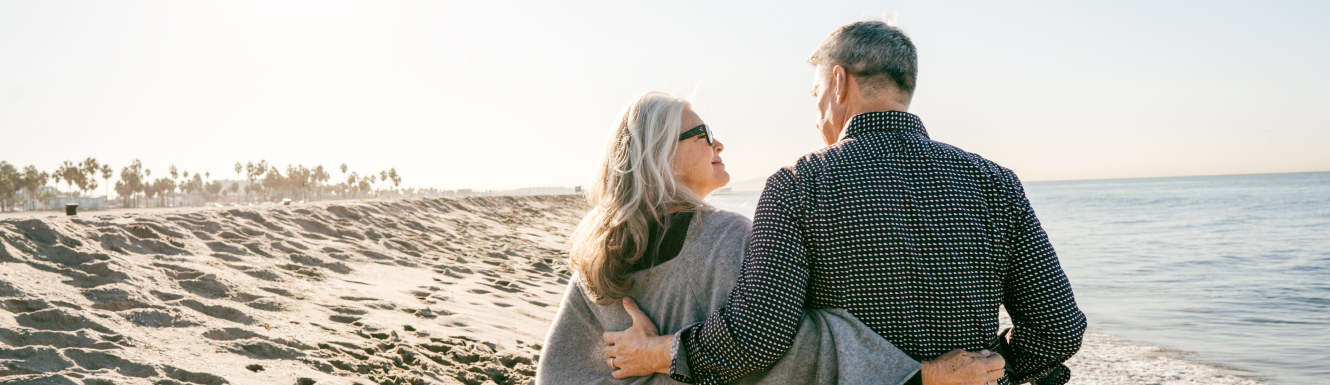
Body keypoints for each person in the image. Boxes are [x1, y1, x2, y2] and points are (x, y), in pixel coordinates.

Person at [604, 20, 1087, 385]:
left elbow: (758, 336)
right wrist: (995, 366)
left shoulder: (798, 184)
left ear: (838, 83)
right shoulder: (995, 181)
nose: (817, 116)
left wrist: (659, 352)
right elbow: (1059, 329)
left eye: (816, 95)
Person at [535, 92, 1004, 385]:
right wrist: (916, 376)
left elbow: (558, 372)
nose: (718, 144)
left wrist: (654, 358)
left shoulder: (595, 255)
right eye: (701, 134)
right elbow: (791, 347)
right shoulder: (726, 237)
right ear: (659, 156)